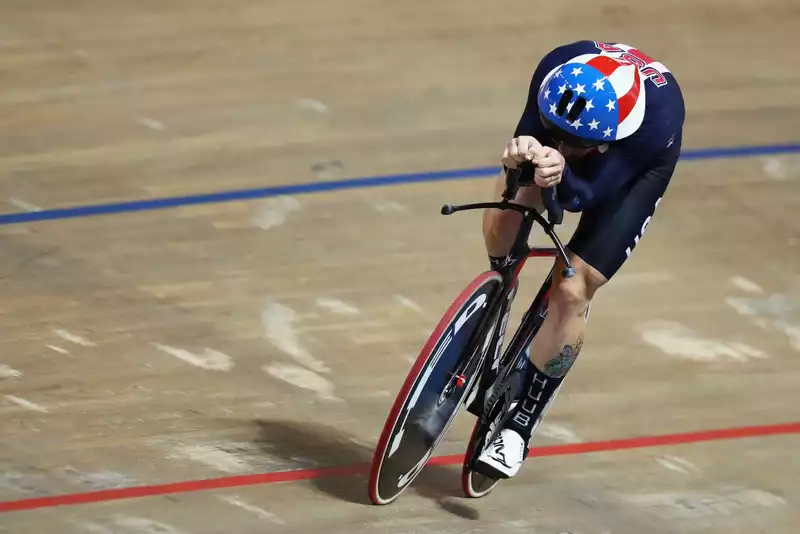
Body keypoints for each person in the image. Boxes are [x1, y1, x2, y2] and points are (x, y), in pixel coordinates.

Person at [474, 40, 686, 479]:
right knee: (503, 219)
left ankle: (519, 425)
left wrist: (562, 173)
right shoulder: (554, 69)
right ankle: (499, 292)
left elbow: (582, 198)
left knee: (572, 287)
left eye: (577, 143)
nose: (564, 145)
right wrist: (524, 157)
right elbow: (527, 147)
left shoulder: (651, 123)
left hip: (633, 171)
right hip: (582, 127)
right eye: (558, 135)